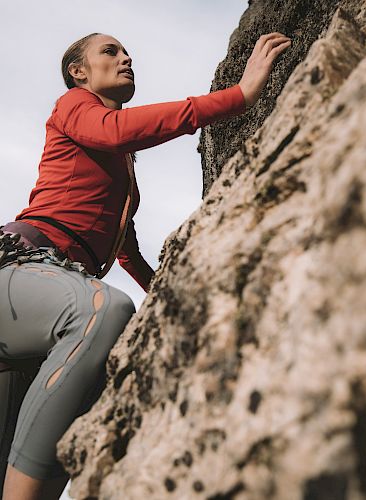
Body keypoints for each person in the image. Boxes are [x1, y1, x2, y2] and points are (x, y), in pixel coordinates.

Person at [0, 30, 291, 500]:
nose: (126, 56)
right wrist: (238, 97)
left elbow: (123, 248)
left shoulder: (120, 166)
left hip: (42, 309)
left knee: (67, 412)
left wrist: (161, 291)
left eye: (126, 50)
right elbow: (115, 130)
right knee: (103, 311)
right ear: (79, 72)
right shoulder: (73, 104)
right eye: (110, 51)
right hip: (17, 269)